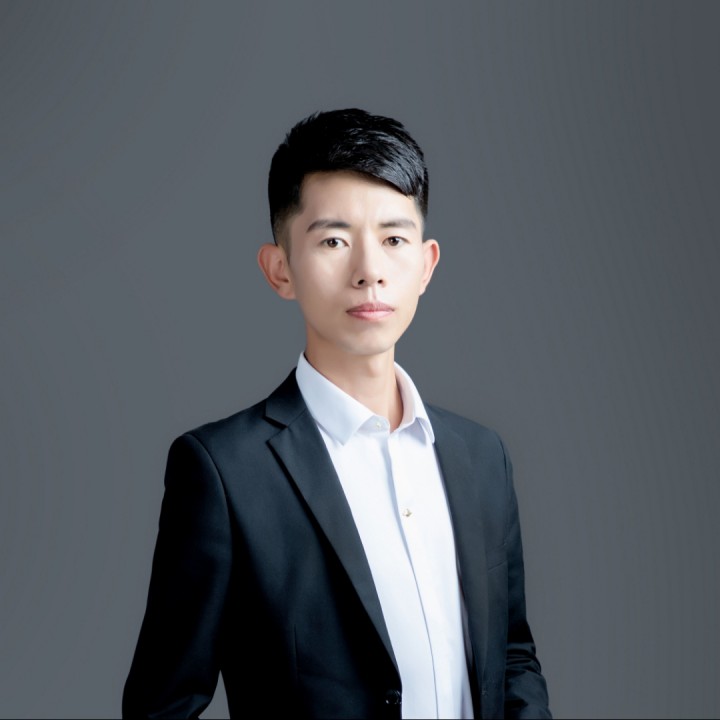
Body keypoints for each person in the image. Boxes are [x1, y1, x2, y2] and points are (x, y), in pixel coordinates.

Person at [122, 108, 551, 719]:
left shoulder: (481, 457)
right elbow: (161, 706)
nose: (369, 271)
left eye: (394, 240)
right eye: (333, 241)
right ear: (280, 269)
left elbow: (511, 656)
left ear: (426, 264)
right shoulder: (225, 472)